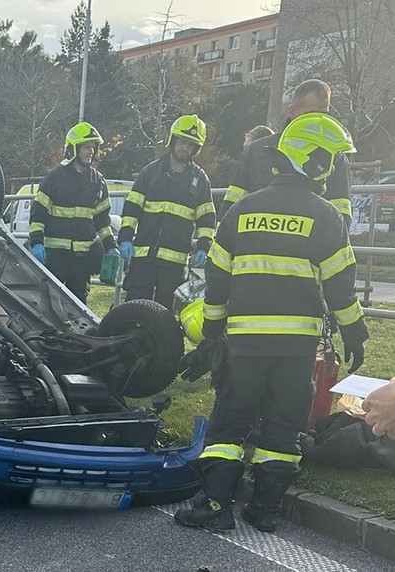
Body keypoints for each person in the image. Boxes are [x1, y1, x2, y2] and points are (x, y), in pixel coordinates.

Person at [174, 112, 369, 534]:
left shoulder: (241, 211)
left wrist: (211, 333)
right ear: (313, 162)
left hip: (244, 345)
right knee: (284, 428)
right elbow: (341, 289)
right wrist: (355, 331)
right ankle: (264, 509)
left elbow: (216, 282)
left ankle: (214, 505)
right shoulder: (326, 218)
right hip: (297, 350)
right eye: (329, 161)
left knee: (229, 424)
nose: (331, 171)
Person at [220, 79, 353, 226]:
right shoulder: (256, 151)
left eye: (324, 115)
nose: (317, 121)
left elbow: (342, 218)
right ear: (292, 111)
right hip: (256, 243)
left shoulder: (335, 158)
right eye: (311, 114)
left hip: (307, 246)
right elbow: (230, 210)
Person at [117, 114, 216, 309]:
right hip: (144, 258)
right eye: (182, 141)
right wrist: (126, 238)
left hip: (174, 263)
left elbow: (207, 218)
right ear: (172, 140)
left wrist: (204, 246)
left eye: (190, 144)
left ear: (196, 149)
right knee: (134, 308)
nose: (184, 148)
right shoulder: (151, 172)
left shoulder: (200, 179)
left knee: (165, 315)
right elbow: (132, 207)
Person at [29, 122, 118, 302]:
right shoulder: (54, 179)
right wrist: (36, 242)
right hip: (55, 257)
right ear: (73, 148)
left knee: (78, 306)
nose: (91, 152)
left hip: (82, 259)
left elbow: (102, 221)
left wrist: (111, 246)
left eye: (93, 147)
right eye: (86, 147)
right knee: (50, 303)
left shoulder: (97, 181)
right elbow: (38, 215)